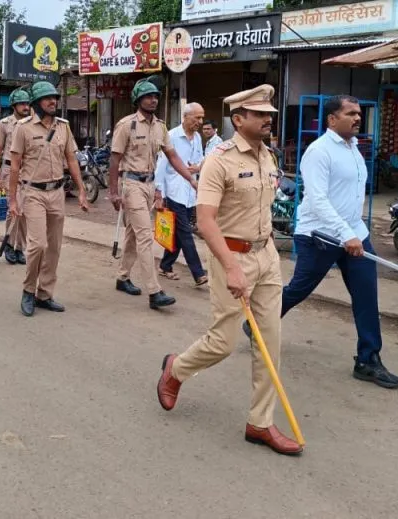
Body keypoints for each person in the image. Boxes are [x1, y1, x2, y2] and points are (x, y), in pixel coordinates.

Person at [154, 84, 302, 455]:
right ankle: (176, 369)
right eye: (260, 114)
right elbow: (205, 221)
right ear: (238, 119)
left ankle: (260, 423)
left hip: (266, 257)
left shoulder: (268, 156)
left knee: (270, 344)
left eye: (270, 114)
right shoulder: (219, 159)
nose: (268, 119)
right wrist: (232, 267)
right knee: (224, 342)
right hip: (230, 258)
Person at [281, 95, 398, 389]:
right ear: (332, 119)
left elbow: (351, 197)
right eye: (350, 113)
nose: (358, 118)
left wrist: (355, 232)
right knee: (298, 289)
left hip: (354, 235)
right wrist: (343, 233)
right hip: (319, 236)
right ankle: (259, 324)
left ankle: (368, 360)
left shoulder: (354, 150)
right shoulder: (319, 152)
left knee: (366, 295)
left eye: (359, 113)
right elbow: (318, 199)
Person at [108, 77, 193, 310]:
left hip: (149, 184)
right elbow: (114, 160)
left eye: (156, 96)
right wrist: (113, 193)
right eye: (148, 96)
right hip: (131, 184)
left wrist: (191, 179)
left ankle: (123, 277)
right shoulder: (126, 125)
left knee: (134, 235)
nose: (153, 99)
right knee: (145, 235)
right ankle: (154, 292)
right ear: (138, 99)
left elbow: (172, 156)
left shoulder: (160, 126)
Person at [8, 81, 89, 317]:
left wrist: (82, 190)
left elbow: (71, 160)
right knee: (38, 245)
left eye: (54, 98)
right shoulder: (23, 129)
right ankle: (28, 290)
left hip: (57, 193)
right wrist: (13, 200)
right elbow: (14, 167)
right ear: (36, 103)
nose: (53, 102)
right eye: (47, 99)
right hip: (32, 192)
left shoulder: (63, 127)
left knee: (53, 247)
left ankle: (44, 294)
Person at [156, 102, 207, 287]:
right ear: (185, 117)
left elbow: (201, 159)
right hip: (174, 191)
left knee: (178, 233)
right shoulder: (171, 136)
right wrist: (158, 192)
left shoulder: (197, 138)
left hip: (190, 192)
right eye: (197, 118)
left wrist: (198, 166)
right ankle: (198, 273)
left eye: (202, 118)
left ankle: (165, 265)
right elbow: (161, 164)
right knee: (185, 233)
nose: (200, 122)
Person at [0, 88, 32, 266]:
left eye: (27, 103)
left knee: (24, 211)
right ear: (14, 105)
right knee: (13, 208)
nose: (25, 106)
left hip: (28, 171)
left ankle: (19, 247)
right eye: (22, 103)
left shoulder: (32, 123)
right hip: (9, 170)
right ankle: (9, 243)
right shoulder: (4, 124)